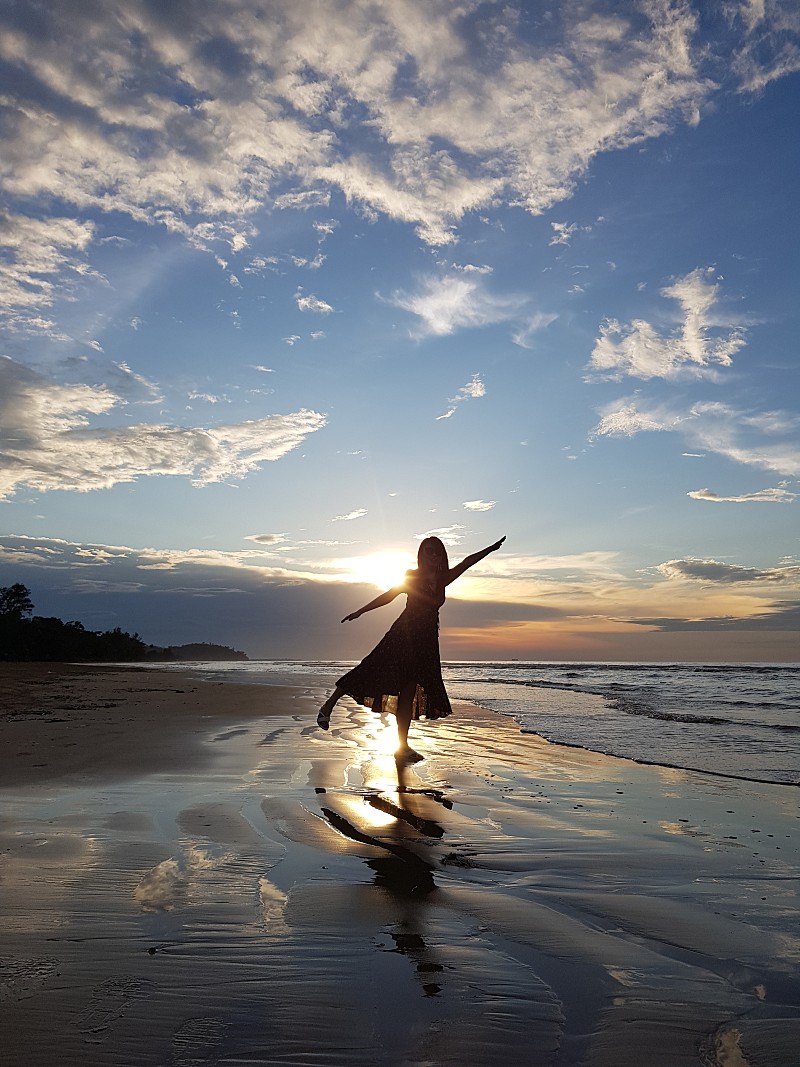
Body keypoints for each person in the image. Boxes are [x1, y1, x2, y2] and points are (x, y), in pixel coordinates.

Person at [317, 535, 506, 762]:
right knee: (370, 668)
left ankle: (402, 747)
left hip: (425, 644)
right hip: (402, 636)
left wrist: (491, 548)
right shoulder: (412, 577)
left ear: (441, 555)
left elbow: (467, 562)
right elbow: (389, 596)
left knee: (407, 695)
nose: (432, 554)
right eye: (428, 550)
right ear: (421, 554)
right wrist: (361, 611)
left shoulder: (444, 578)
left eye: (436, 551)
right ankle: (328, 706)